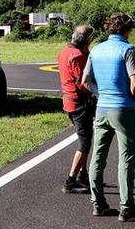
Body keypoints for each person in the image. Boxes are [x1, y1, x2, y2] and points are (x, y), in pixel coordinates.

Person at [83, 12, 135, 222]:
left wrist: (100, 93)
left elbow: (85, 81)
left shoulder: (96, 50)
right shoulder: (128, 49)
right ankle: (126, 206)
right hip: (123, 108)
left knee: (98, 157)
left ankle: (98, 203)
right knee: (127, 158)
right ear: (126, 30)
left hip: (102, 108)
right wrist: (133, 99)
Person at [57, 25, 96, 194]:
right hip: (80, 103)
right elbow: (83, 82)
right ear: (88, 40)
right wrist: (98, 93)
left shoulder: (65, 52)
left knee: (86, 137)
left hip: (69, 101)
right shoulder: (78, 56)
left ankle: (83, 174)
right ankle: (70, 180)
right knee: (85, 142)